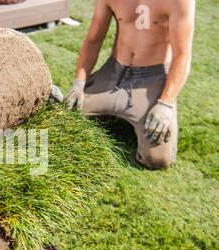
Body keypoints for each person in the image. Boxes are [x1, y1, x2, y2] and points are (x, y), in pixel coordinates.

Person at [66, 0, 195, 169]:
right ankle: (111, 107)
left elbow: (183, 55)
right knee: (68, 114)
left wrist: (166, 104)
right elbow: (93, 40)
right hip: (114, 71)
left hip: (151, 78)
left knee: (157, 159)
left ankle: (142, 112)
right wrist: (79, 82)